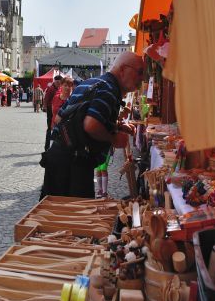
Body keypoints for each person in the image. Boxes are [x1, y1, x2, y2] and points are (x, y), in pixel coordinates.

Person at [40, 52, 144, 199]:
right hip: (74, 166)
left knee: (54, 213)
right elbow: (91, 125)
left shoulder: (91, 82)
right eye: (140, 72)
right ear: (122, 70)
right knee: (76, 217)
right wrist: (114, 138)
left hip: (59, 156)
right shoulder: (109, 89)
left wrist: (116, 127)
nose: (142, 78)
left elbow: (59, 118)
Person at [43, 75, 63, 150]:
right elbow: (46, 99)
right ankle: (47, 147)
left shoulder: (59, 88)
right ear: (55, 81)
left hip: (56, 110)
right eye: (58, 82)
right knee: (49, 128)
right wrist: (44, 107)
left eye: (60, 82)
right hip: (50, 110)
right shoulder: (51, 88)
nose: (59, 84)